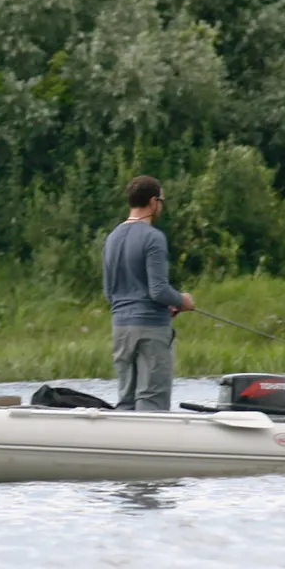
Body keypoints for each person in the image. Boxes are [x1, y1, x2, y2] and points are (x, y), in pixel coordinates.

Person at [102, 175, 193, 411]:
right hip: (151, 329)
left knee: (126, 402)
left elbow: (109, 292)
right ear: (153, 202)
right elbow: (158, 290)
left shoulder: (112, 238)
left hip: (120, 329)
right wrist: (181, 301)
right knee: (152, 400)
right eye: (161, 201)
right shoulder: (153, 238)